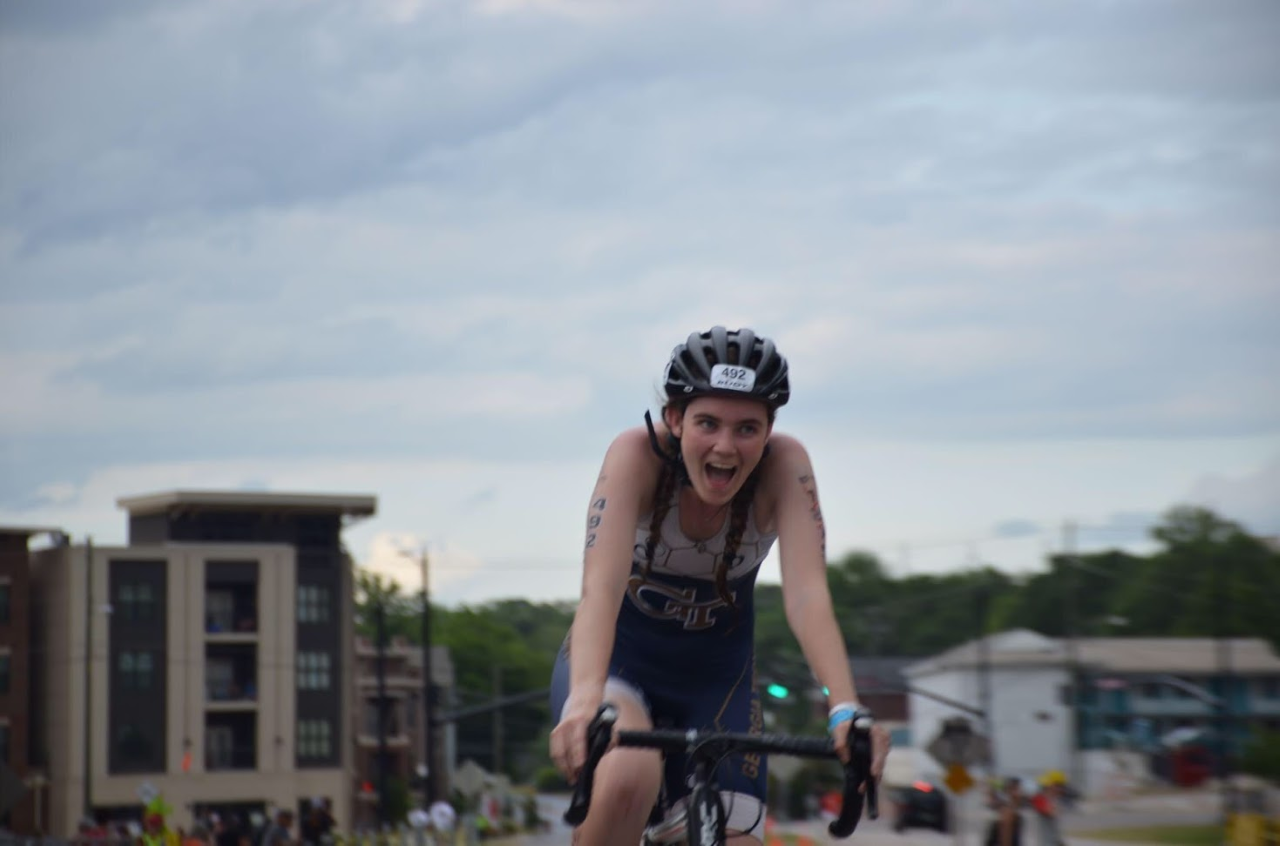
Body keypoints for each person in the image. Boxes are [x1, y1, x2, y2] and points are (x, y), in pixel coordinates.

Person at [548, 326, 891, 845]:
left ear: (770, 428)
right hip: (618, 663)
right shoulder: (634, 456)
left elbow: (807, 597)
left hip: (717, 680)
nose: (725, 447)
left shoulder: (785, 467)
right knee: (625, 777)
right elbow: (600, 588)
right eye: (707, 423)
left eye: (747, 428)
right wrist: (585, 700)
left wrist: (845, 707)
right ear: (674, 419)